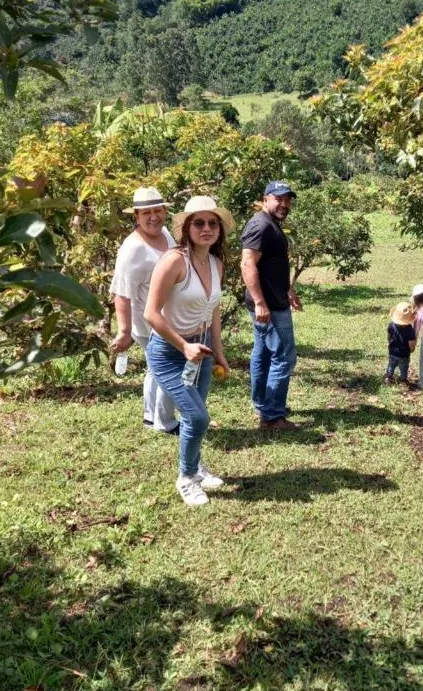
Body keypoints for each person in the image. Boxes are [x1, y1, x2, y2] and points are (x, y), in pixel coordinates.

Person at [144, 196, 234, 506]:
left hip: (202, 349)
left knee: (196, 415)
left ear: (219, 229)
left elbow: (214, 310)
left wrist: (218, 351)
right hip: (170, 352)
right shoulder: (173, 261)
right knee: (197, 417)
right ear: (186, 228)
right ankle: (186, 478)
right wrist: (183, 345)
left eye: (212, 223)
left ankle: (195, 467)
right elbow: (151, 313)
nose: (206, 228)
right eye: (199, 223)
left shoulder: (216, 263)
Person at [109, 186, 178, 434]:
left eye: (157, 210)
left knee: (155, 369)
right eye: (146, 212)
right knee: (167, 369)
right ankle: (164, 421)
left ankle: (151, 417)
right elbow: (122, 293)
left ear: (165, 212)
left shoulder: (166, 235)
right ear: (136, 216)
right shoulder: (132, 249)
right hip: (147, 323)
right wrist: (124, 331)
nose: (153, 217)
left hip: (167, 318)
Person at [240, 181, 302, 430]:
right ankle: (273, 416)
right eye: (279, 199)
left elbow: (272, 265)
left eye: (288, 200)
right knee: (284, 357)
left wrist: (287, 289)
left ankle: (262, 404)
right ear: (265, 199)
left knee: (263, 353)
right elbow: (247, 264)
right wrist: (260, 303)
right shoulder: (260, 225)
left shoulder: (270, 224)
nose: (284, 204)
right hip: (268, 305)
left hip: (273, 299)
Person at [384, 301, 416, 384]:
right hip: (404, 354)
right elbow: (411, 343)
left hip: (392, 352)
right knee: (404, 368)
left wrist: (390, 343)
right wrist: (412, 349)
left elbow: (389, 337)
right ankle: (403, 381)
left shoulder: (391, 325)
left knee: (391, 365)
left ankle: (388, 377)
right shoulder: (410, 329)